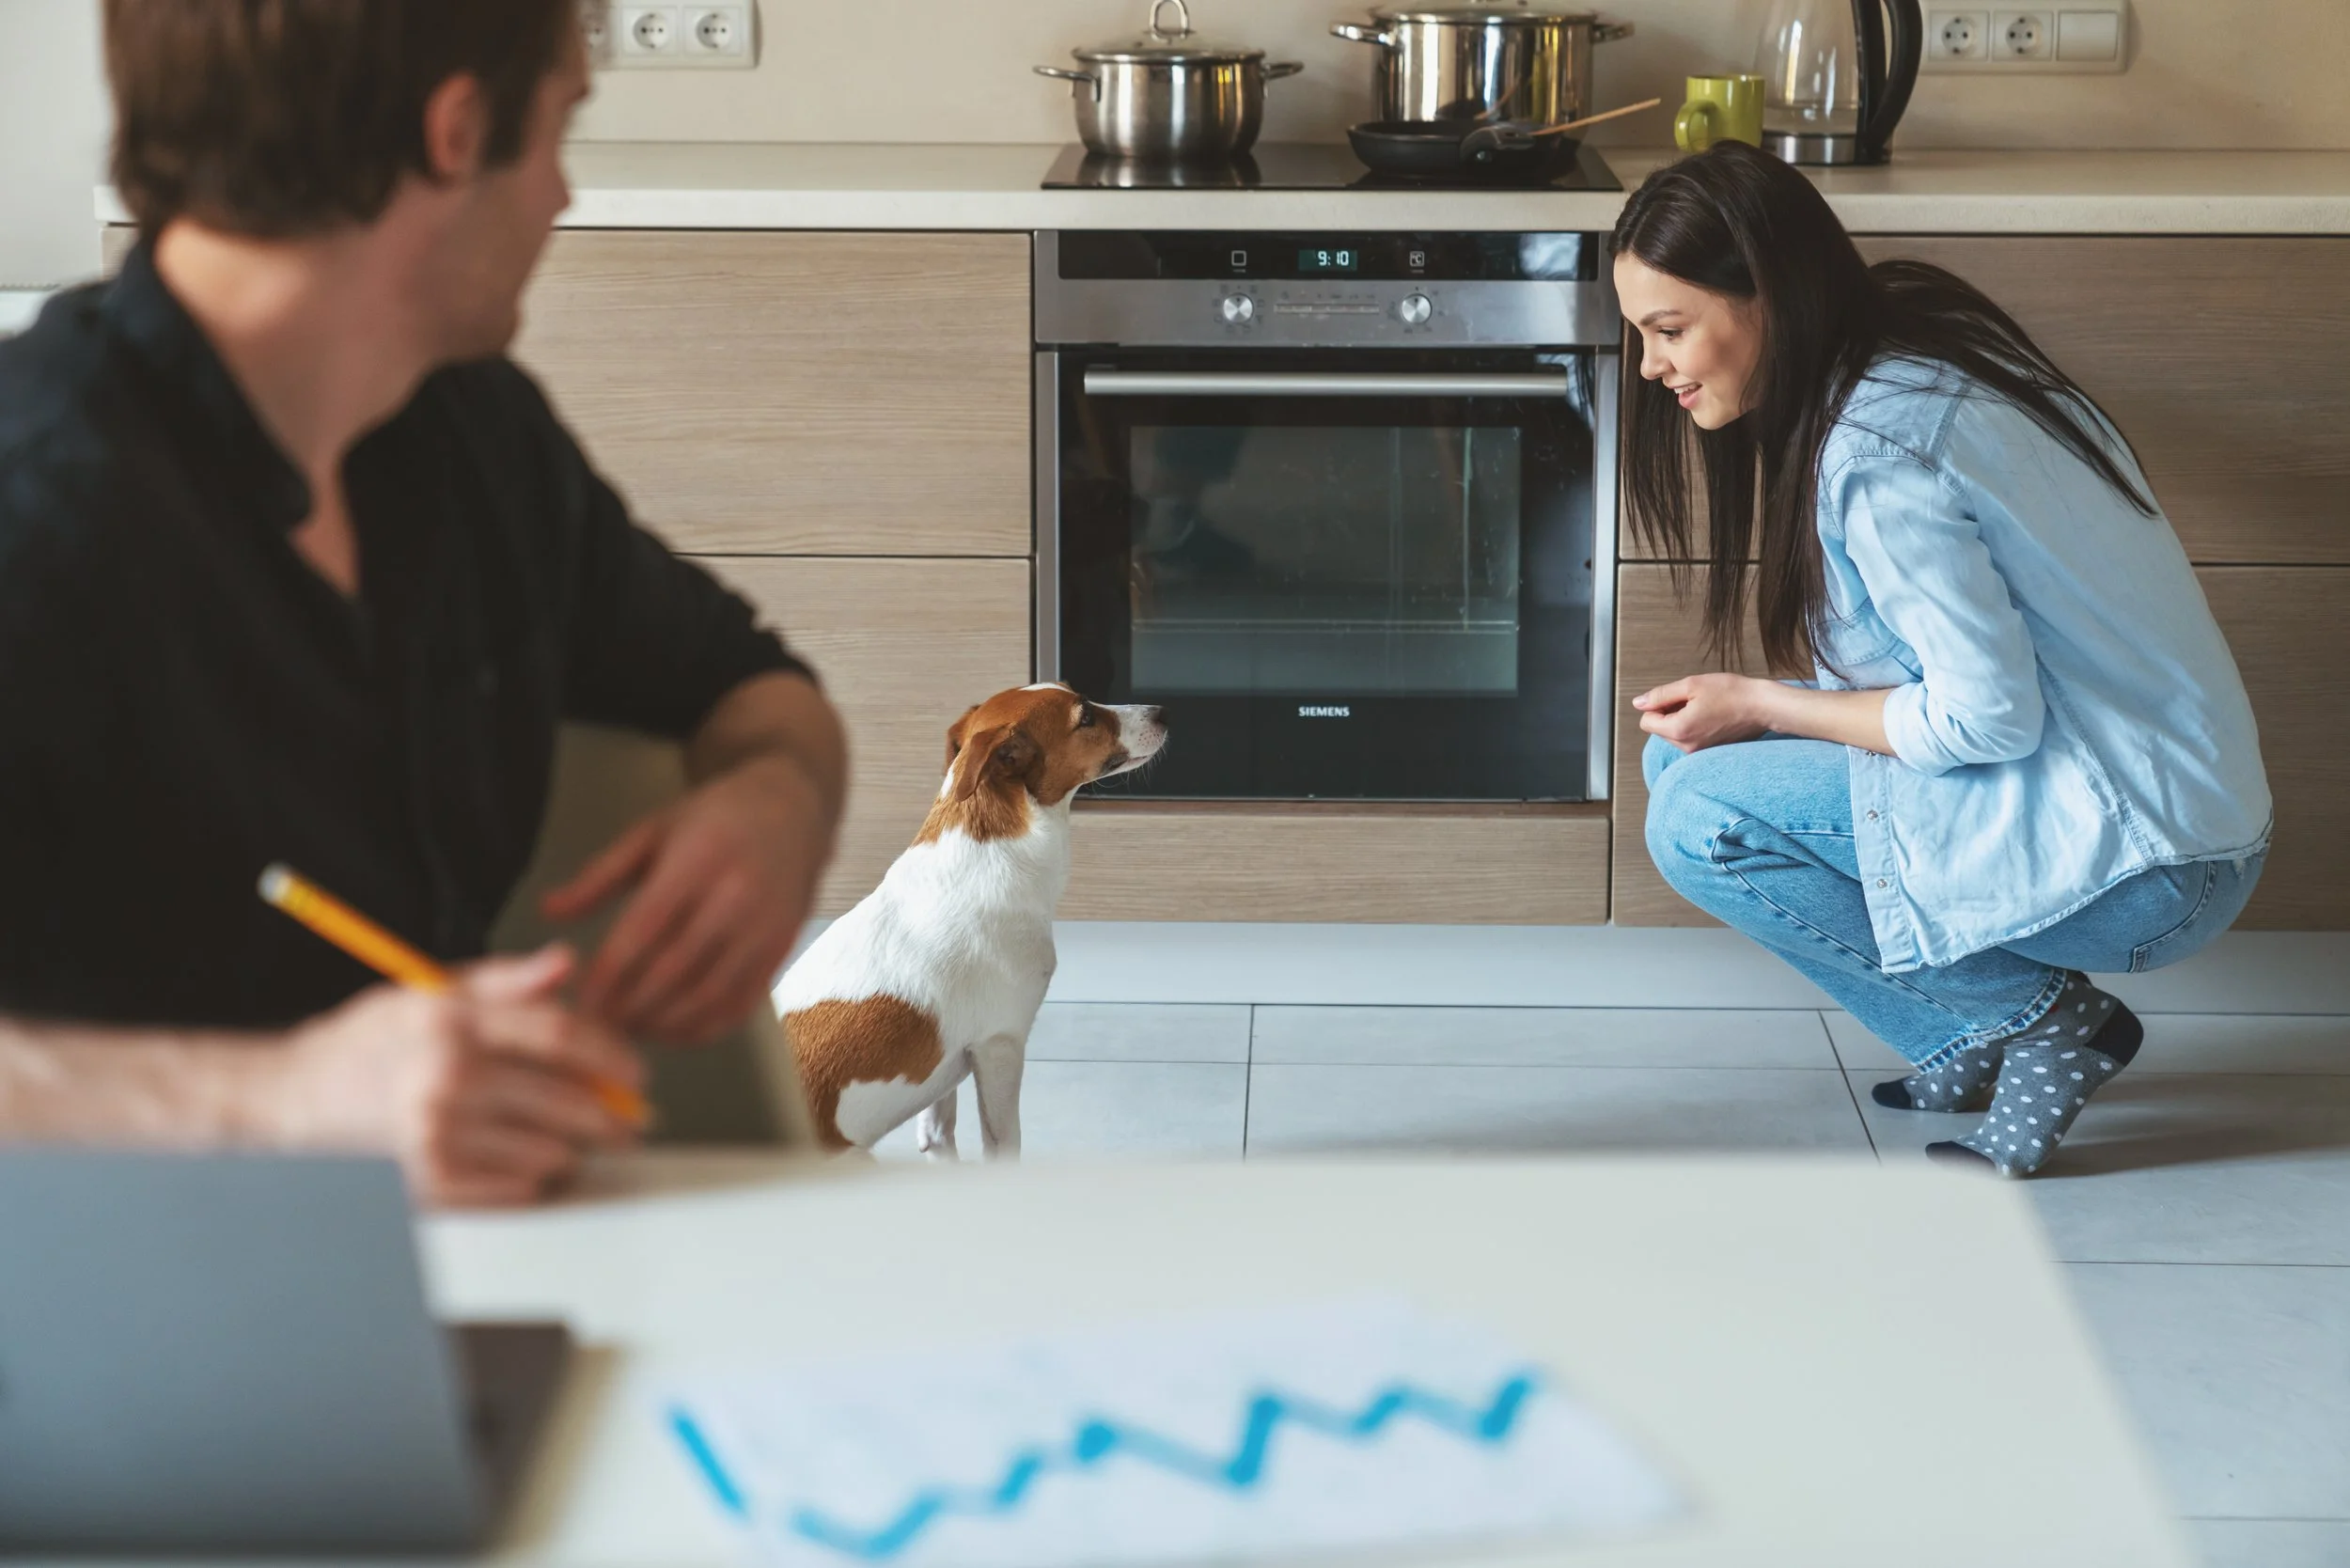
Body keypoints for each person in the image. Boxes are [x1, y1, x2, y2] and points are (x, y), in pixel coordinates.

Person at [0, 0, 847, 1206]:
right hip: (105, 1345)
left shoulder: (472, 437)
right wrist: (282, 1104)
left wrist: (777, 801)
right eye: (559, 128)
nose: (560, 193)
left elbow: (748, 683)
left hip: (468, 1282)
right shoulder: (36, 513)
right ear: (456, 132)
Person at [1611, 143, 2270, 1178]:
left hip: (2149, 860)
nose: (1650, 365)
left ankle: (2043, 1024)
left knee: (1700, 815)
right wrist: (1759, 705)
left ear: (1768, 299)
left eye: (1668, 329)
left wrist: (1764, 701)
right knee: (1681, 766)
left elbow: (1985, 721)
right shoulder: (1909, 358)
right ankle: (1965, 1033)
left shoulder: (1877, 448)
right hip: (2151, 804)